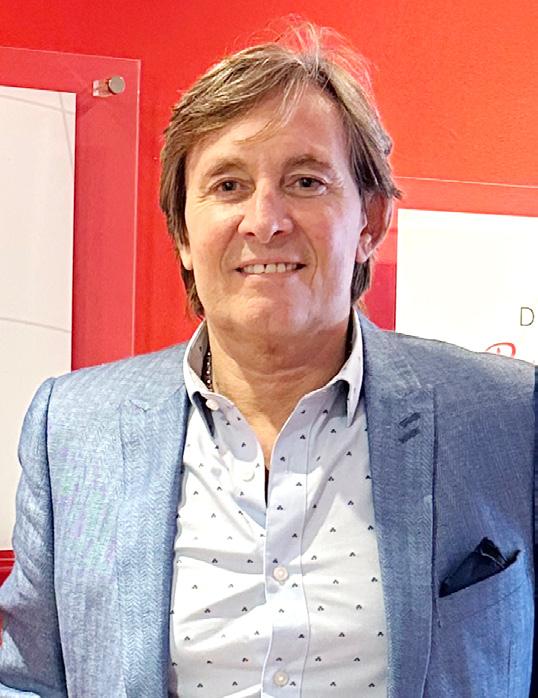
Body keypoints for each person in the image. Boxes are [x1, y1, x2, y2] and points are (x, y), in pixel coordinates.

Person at [0, 22, 536, 698]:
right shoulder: (72, 430)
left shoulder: (511, 418)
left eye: (306, 181)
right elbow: (30, 680)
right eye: (228, 185)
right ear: (183, 233)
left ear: (370, 221)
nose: (265, 219)